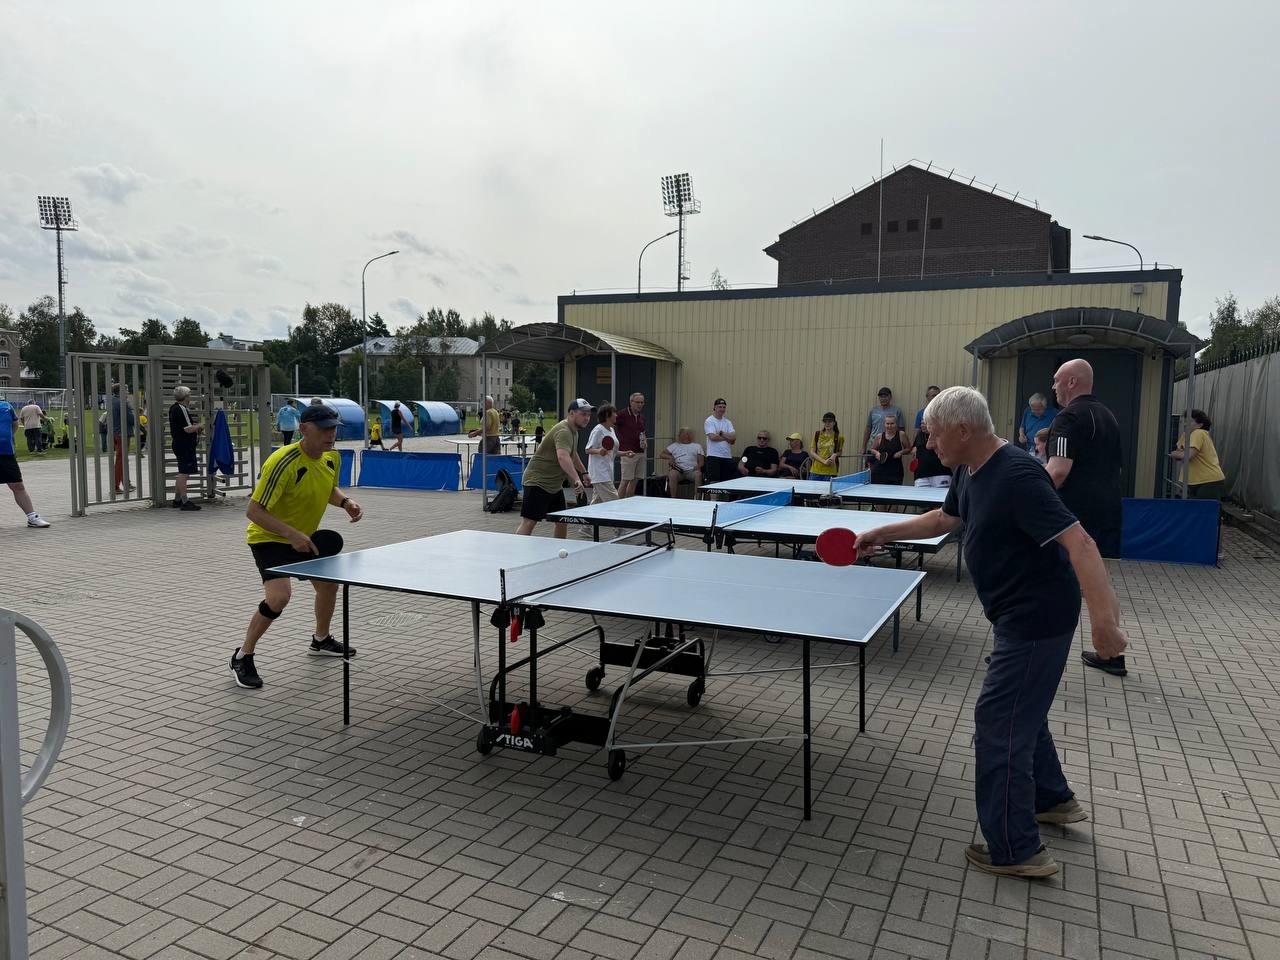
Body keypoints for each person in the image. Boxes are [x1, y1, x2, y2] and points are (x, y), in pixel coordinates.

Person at [856, 386, 1127, 878]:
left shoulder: (1019, 475)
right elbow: (946, 518)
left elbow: (1081, 544)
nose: (928, 443)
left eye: (934, 434)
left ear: (963, 430)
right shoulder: (968, 468)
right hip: (1014, 616)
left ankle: (1015, 849)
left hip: (1036, 618)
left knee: (998, 724)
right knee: (1023, 708)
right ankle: (1052, 800)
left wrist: (1104, 626)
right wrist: (882, 532)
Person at [232, 402, 364, 689]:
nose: (331, 434)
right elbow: (254, 511)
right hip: (270, 537)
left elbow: (328, 488)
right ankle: (243, 656)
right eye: (324, 428)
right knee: (279, 598)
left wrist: (345, 502)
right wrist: (290, 534)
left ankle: (320, 640)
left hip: (305, 537)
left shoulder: (332, 458)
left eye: (334, 428)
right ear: (303, 429)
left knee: (329, 585)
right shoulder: (282, 462)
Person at [1046, 359, 1125, 676]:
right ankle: (1111, 653)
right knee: (1099, 582)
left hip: (1073, 515)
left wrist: (1026, 496)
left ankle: (1026, 649)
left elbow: (1058, 470)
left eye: (1056, 380)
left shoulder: (1067, 418)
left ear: (1071, 382)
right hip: (1109, 509)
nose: (1053, 386)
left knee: (1043, 579)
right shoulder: (1108, 415)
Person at [516, 399, 593, 537]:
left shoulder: (574, 431)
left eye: (588, 414)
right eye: (583, 414)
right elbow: (562, 456)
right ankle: (516, 550)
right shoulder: (563, 431)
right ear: (571, 413)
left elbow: (572, 453)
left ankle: (559, 548)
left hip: (554, 485)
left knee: (562, 521)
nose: (587, 418)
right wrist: (577, 479)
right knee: (529, 521)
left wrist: (584, 472)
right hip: (537, 482)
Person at [0, 397, 52, 528]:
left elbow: (14, 424)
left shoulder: (6, 406)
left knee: (18, 485)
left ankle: (32, 517)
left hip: (6, 454)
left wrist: (7, 438)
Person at [1169, 409, 1226, 500]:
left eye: (1189, 422)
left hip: (1208, 480)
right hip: (1195, 480)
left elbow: (1187, 455)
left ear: (1200, 425)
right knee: (1198, 507)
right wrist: (1179, 454)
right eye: (1185, 421)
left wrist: (1178, 454)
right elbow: (1179, 454)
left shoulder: (1198, 433)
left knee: (1205, 507)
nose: (1185, 424)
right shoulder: (1186, 434)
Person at [169, 385, 204, 511]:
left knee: (183, 472)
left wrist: (195, 427)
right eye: (189, 395)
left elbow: (183, 425)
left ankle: (177, 500)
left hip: (180, 444)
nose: (191, 397)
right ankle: (185, 502)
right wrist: (200, 426)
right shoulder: (181, 408)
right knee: (184, 474)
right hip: (184, 445)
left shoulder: (174, 408)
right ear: (185, 397)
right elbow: (187, 429)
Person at [615, 392, 648, 499]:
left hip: (640, 451)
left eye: (642, 402)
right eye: (638, 402)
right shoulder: (622, 414)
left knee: (635, 479)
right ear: (631, 402)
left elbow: (643, 432)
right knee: (625, 480)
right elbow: (609, 424)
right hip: (627, 452)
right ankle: (618, 503)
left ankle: (629, 501)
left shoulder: (641, 417)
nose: (640, 405)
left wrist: (645, 441)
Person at [585, 403, 620, 504]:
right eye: (614, 413)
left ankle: (589, 515)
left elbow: (612, 451)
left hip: (607, 471)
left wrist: (625, 453)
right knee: (614, 501)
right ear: (607, 415)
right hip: (600, 473)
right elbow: (588, 449)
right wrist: (599, 451)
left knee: (597, 504)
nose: (616, 415)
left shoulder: (611, 430)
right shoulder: (598, 430)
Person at [660, 428, 704, 496]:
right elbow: (662, 454)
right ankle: (673, 498)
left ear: (689, 436)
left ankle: (697, 499)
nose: (684, 436)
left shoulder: (697, 446)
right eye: (681, 434)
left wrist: (698, 467)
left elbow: (701, 462)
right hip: (678, 470)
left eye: (686, 434)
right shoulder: (674, 445)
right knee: (672, 474)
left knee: (698, 475)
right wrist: (670, 457)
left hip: (692, 471)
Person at [863, 387, 906, 454]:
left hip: (890, 446)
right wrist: (863, 447)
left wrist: (900, 446)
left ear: (890, 397)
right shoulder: (873, 411)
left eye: (886, 396)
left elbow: (901, 429)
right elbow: (868, 428)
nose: (883, 398)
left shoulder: (897, 411)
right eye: (881, 396)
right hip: (873, 446)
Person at [868, 414, 908, 485]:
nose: (889, 426)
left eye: (892, 423)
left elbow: (908, 448)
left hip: (896, 472)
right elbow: (872, 449)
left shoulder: (901, 435)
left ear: (896, 424)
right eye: (887, 423)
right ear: (884, 424)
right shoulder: (879, 436)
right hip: (879, 472)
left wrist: (901, 452)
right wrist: (877, 453)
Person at [703, 398, 736, 484]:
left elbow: (733, 437)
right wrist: (727, 437)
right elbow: (712, 437)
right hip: (714, 455)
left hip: (727, 456)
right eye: (720, 407)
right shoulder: (709, 421)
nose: (722, 409)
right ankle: (714, 494)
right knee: (714, 481)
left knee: (726, 481)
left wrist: (721, 433)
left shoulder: (728, 422)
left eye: (724, 407)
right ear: (714, 407)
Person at [910, 420, 952, 488]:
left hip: (940, 472)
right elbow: (914, 449)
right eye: (922, 423)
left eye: (925, 423)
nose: (923, 425)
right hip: (921, 474)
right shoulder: (919, 435)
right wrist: (914, 450)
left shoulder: (941, 434)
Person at [110, 384, 136, 492]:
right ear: (120, 392)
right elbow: (131, 420)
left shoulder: (112, 401)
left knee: (122, 459)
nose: (128, 392)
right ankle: (115, 486)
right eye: (126, 390)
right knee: (121, 460)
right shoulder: (123, 403)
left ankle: (126, 482)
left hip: (115, 433)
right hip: (123, 434)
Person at [809, 413, 843, 479]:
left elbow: (840, 452)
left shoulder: (839, 437)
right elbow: (812, 452)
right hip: (815, 471)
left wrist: (835, 454)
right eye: (825, 421)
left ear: (834, 423)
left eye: (830, 421)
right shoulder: (817, 434)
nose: (827, 423)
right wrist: (824, 461)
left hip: (830, 472)